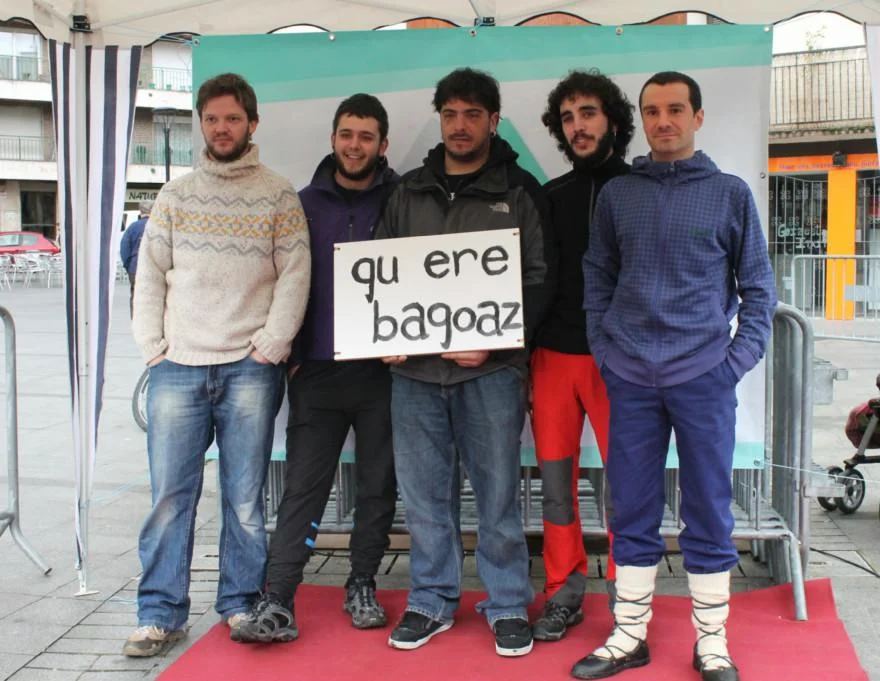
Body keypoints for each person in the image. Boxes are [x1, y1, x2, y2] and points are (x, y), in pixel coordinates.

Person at [571, 71, 777, 681]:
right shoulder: (619, 195)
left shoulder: (730, 194)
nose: (664, 121)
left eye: (676, 109)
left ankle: (712, 641)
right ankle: (629, 633)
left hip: (703, 376)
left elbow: (758, 289)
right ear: (642, 119)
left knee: (708, 506)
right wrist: (605, 351)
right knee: (631, 505)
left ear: (698, 117)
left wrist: (733, 363)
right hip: (630, 376)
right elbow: (597, 276)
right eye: (653, 110)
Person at [124, 72, 311, 657]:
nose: (222, 128)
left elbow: (295, 275)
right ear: (201, 124)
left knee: (244, 498)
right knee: (168, 498)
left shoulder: (278, 195)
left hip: (250, 369)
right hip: (177, 367)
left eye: (232, 118)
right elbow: (150, 275)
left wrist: (271, 346)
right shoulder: (174, 196)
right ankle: (160, 614)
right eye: (212, 119)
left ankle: (239, 603)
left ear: (252, 123)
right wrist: (153, 347)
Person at [376, 67, 551, 658]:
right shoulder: (407, 191)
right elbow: (380, 273)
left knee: (498, 496)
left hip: (490, 373)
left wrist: (496, 345)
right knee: (425, 497)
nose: (459, 125)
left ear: (493, 121)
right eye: (450, 114)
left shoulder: (520, 192)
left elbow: (538, 281)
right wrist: (382, 331)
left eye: (472, 114)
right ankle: (431, 599)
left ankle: (507, 604)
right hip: (414, 374)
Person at [231, 93, 400, 643]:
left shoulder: (403, 199)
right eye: (347, 134)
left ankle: (362, 583)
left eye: (366, 136)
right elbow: (275, 281)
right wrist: (294, 357)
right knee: (303, 487)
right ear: (332, 138)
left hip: (383, 372)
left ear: (383, 144)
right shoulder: (299, 203)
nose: (355, 145)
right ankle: (278, 596)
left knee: (377, 486)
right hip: (318, 372)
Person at [530, 70, 633, 643]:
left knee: (626, 484)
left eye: (588, 113)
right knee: (554, 485)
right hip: (553, 359)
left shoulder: (640, 189)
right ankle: (562, 590)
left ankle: (628, 593)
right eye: (568, 118)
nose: (578, 126)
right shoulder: (550, 196)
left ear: (612, 120)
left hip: (620, 363)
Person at [119, 200, 151, 317]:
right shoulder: (157, 227)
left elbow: (124, 249)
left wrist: (128, 266)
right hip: (153, 268)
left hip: (135, 267)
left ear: (140, 211)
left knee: (135, 294)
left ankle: (136, 319)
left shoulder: (132, 228)